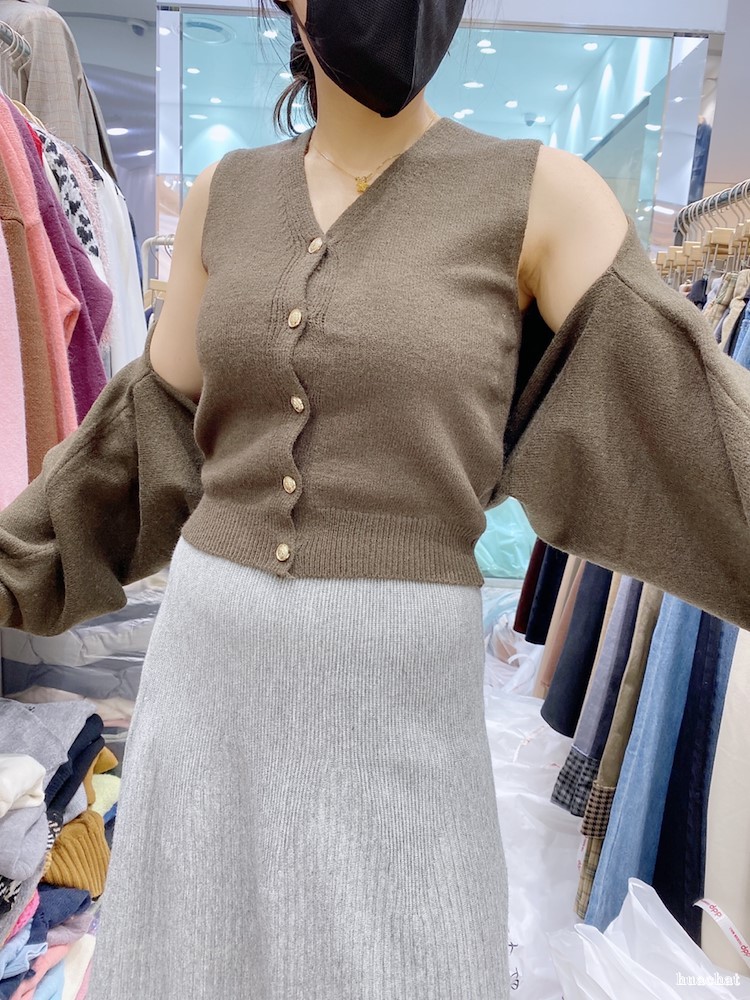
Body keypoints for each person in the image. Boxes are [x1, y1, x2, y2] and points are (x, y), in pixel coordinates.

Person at [1, 1, 749, 997]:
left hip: (397, 703)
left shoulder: (539, 196)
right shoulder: (228, 195)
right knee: (197, 957)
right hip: (209, 689)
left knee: (408, 955)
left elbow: (700, 439)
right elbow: (145, 441)